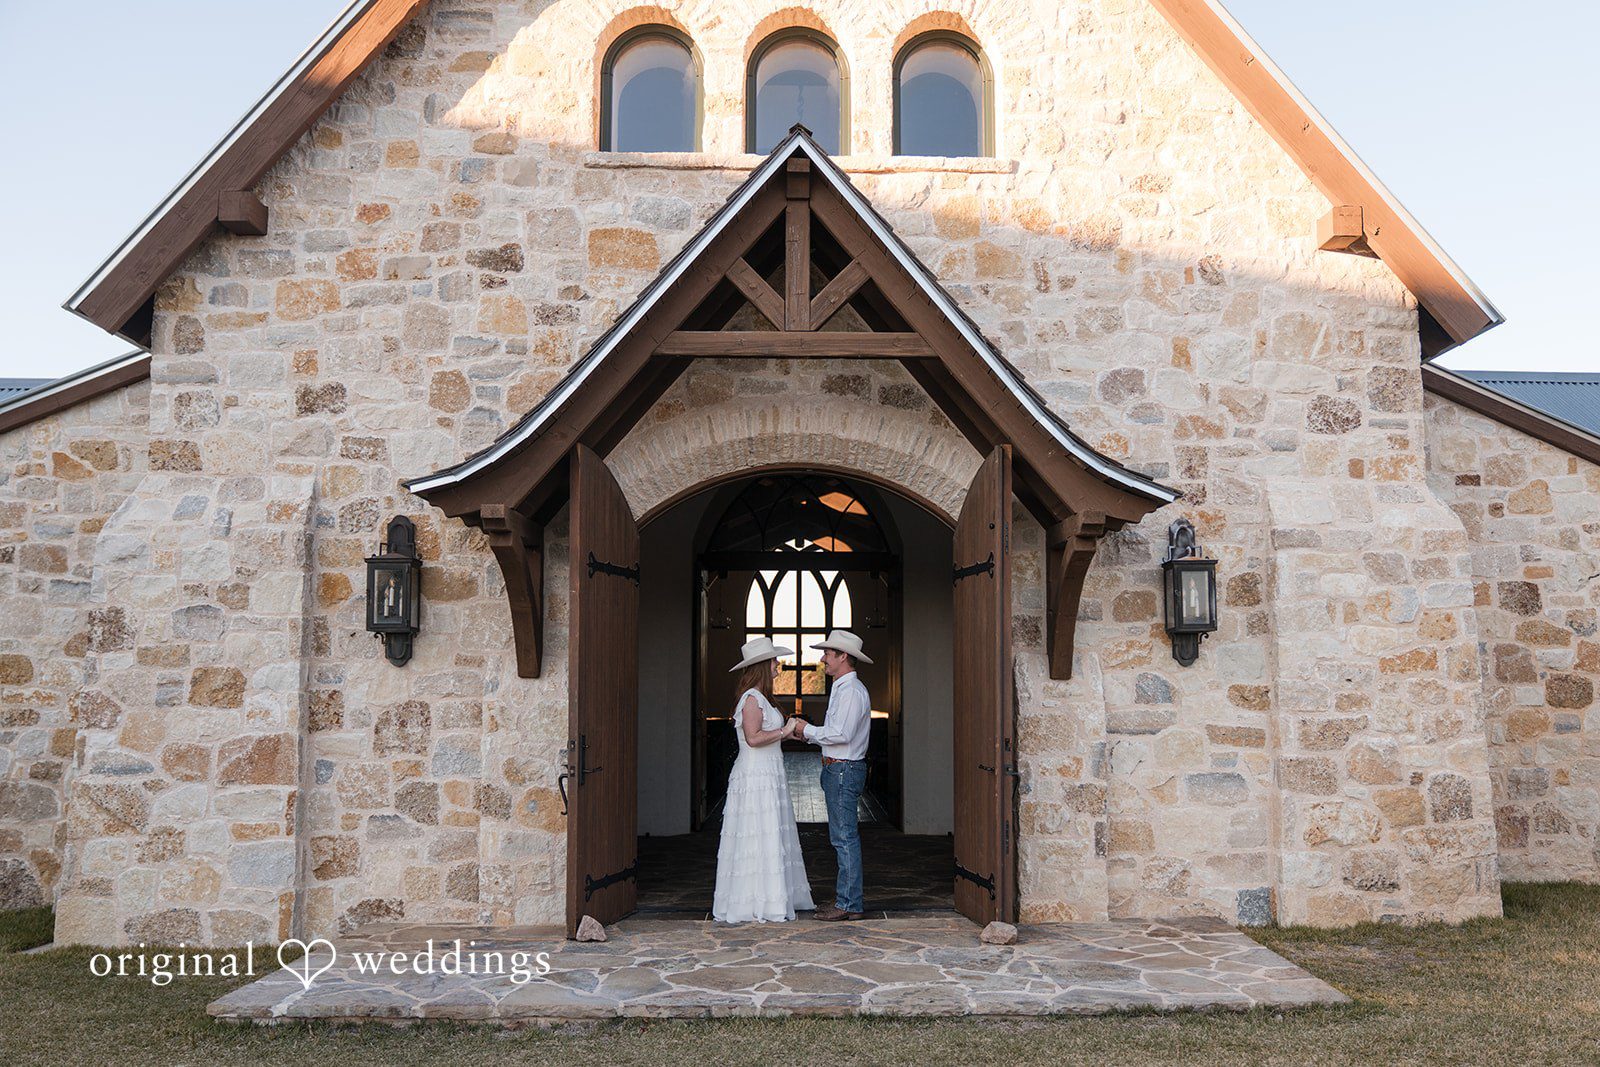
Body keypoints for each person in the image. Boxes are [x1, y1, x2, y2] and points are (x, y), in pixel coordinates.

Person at [711, 636, 815, 923]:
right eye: (773, 660)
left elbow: (774, 733)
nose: (778, 665)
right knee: (757, 834)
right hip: (755, 775)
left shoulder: (764, 698)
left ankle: (776, 896)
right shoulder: (751, 699)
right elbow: (754, 738)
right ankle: (755, 900)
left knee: (772, 834)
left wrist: (802, 732)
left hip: (770, 773)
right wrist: (785, 731)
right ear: (761, 666)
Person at [794, 629, 873, 921]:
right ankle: (848, 901)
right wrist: (810, 736)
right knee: (842, 837)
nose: (823, 658)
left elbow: (841, 734)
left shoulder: (851, 691)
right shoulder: (843, 688)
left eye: (828, 653)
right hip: (836, 768)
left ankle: (849, 905)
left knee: (844, 838)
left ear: (843, 657)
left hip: (843, 769)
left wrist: (806, 730)